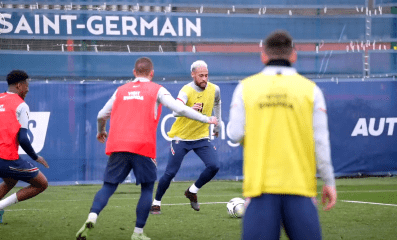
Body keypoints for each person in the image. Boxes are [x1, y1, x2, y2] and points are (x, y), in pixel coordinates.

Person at [76, 57, 218, 240]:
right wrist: (207, 119)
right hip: (142, 146)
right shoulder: (156, 89)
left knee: (108, 187)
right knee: (146, 189)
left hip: (118, 144)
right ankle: (138, 233)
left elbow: (101, 115)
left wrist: (101, 131)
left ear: (134, 73)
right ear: (152, 74)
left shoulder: (121, 90)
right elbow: (180, 109)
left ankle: (92, 217)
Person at [227, 31, 337, 240]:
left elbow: (235, 134)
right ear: (293, 56)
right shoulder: (311, 90)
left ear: (263, 56)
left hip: (260, 189)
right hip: (300, 188)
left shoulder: (245, 88)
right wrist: (329, 182)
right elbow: (320, 142)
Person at [150, 60, 221, 214]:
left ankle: (192, 191)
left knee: (214, 166)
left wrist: (217, 124)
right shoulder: (186, 90)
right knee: (170, 173)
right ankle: (156, 202)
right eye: (201, 75)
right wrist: (188, 108)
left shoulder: (214, 89)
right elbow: (175, 112)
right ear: (193, 75)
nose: (204, 79)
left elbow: (217, 103)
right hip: (181, 138)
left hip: (201, 137)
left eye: (206, 75)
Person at [0, 70, 49, 223]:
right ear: (19, 85)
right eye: (27, 85)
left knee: (11, 180)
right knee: (42, 184)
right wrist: (36, 157)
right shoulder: (21, 105)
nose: (28, 89)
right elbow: (23, 139)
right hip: (6, 157)